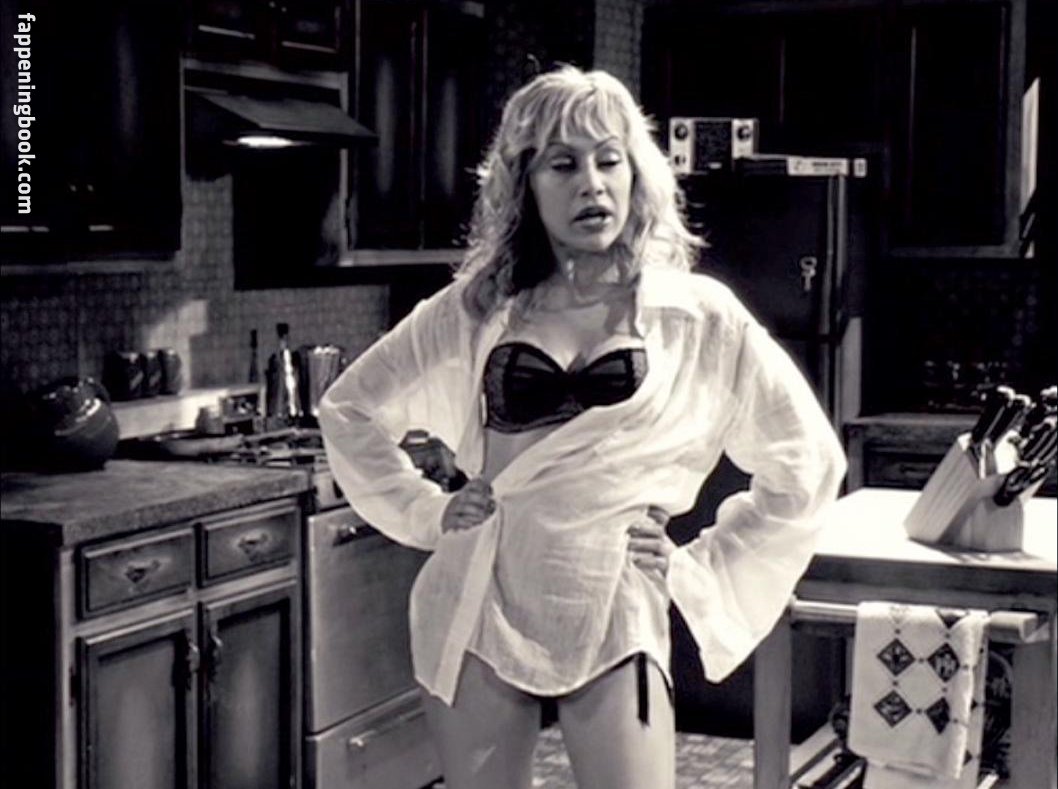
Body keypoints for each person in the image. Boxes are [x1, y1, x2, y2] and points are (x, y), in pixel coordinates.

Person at [319, 65, 846, 789]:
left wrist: (698, 564)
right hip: (480, 591)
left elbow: (808, 461)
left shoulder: (697, 314)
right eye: (563, 165)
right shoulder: (478, 308)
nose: (592, 185)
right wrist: (427, 511)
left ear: (637, 174)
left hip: (612, 594)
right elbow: (349, 409)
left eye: (609, 160)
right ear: (525, 185)